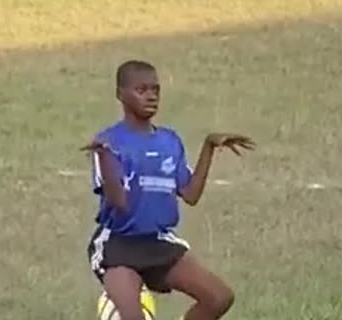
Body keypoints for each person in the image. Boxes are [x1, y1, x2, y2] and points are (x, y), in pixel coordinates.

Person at [81, 60, 255, 320]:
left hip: (158, 242)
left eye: (156, 90)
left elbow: (191, 195)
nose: (151, 96)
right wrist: (105, 159)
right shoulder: (109, 142)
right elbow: (119, 203)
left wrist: (208, 147)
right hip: (119, 245)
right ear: (121, 95)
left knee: (219, 298)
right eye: (142, 90)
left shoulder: (169, 141)